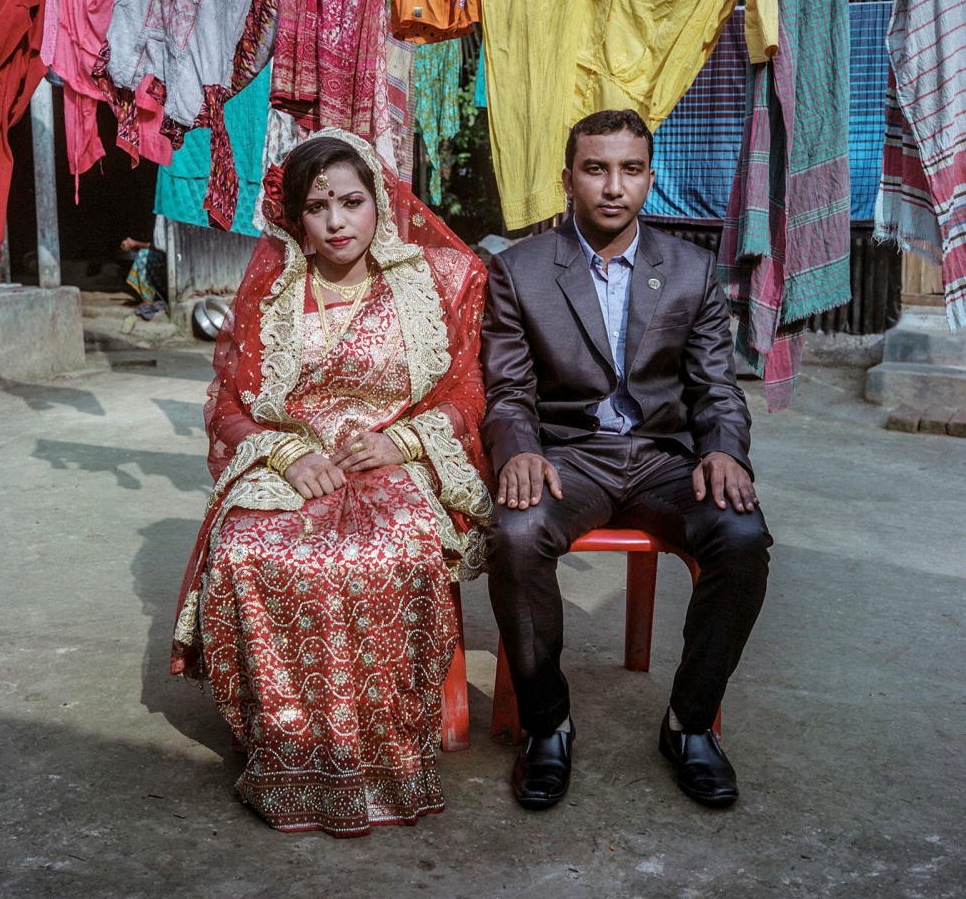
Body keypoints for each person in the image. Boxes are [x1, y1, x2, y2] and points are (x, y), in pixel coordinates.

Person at [170, 129, 492, 836]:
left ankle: (388, 758)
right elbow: (228, 406)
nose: (338, 221)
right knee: (252, 553)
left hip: (394, 460)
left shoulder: (426, 285)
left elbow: (466, 392)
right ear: (295, 218)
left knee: (391, 554)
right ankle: (284, 749)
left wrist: (399, 440)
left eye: (352, 201)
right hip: (292, 458)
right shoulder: (275, 292)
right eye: (319, 207)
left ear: (380, 205)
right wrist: (284, 457)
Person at [481, 109, 772, 811]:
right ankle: (546, 724)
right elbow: (508, 389)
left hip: (663, 458)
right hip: (569, 457)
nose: (614, 186)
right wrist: (519, 452)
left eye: (631, 169)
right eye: (596, 168)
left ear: (649, 177)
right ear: (567, 179)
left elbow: (715, 389)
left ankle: (690, 725)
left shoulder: (691, 269)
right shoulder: (518, 271)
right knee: (515, 535)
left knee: (741, 534)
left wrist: (725, 453)